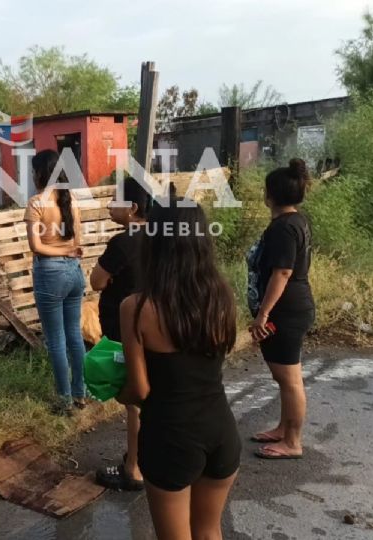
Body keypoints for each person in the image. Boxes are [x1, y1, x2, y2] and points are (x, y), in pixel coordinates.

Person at [115, 195, 240, 539]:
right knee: (209, 531)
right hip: (221, 430)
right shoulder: (222, 297)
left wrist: (116, 392)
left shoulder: (136, 308)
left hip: (171, 437)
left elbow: (140, 390)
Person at [246, 158, 314, 460]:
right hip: (291, 307)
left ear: (269, 195)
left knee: (290, 379)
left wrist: (264, 313)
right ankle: (283, 429)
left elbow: (282, 273)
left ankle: (293, 441)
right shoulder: (296, 221)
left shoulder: (283, 229)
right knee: (284, 377)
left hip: (285, 310)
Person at [90, 175, 151, 491]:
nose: (110, 205)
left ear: (133, 208)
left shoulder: (123, 243)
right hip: (154, 326)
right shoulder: (159, 237)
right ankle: (147, 454)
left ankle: (134, 468)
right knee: (151, 394)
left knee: (134, 400)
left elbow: (97, 281)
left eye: (116, 200)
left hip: (125, 330)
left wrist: (112, 280)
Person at [25, 149, 85, 416]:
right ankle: (80, 393)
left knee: (57, 340)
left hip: (50, 274)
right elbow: (77, 244)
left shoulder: (36, 203)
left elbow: (35, 246)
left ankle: (64, 401)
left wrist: (59, 252)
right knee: (74, 336)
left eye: (33, 171)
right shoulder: (70, 200)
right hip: (74, 273)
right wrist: (67, 252)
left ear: (40, 173)